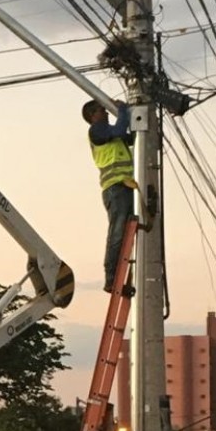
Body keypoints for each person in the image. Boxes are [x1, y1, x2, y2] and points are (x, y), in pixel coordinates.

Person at [81, 98, 136, 292]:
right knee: (118, 233)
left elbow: (130, 136)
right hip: (116, 188)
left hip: (126, 187)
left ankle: (123, 278)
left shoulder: (111, 134)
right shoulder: (97, 130)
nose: (105, 113)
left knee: (128, 234)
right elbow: (120, 130)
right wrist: (122, 110)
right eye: (101, 110)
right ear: (92, 115)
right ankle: (112, 278)